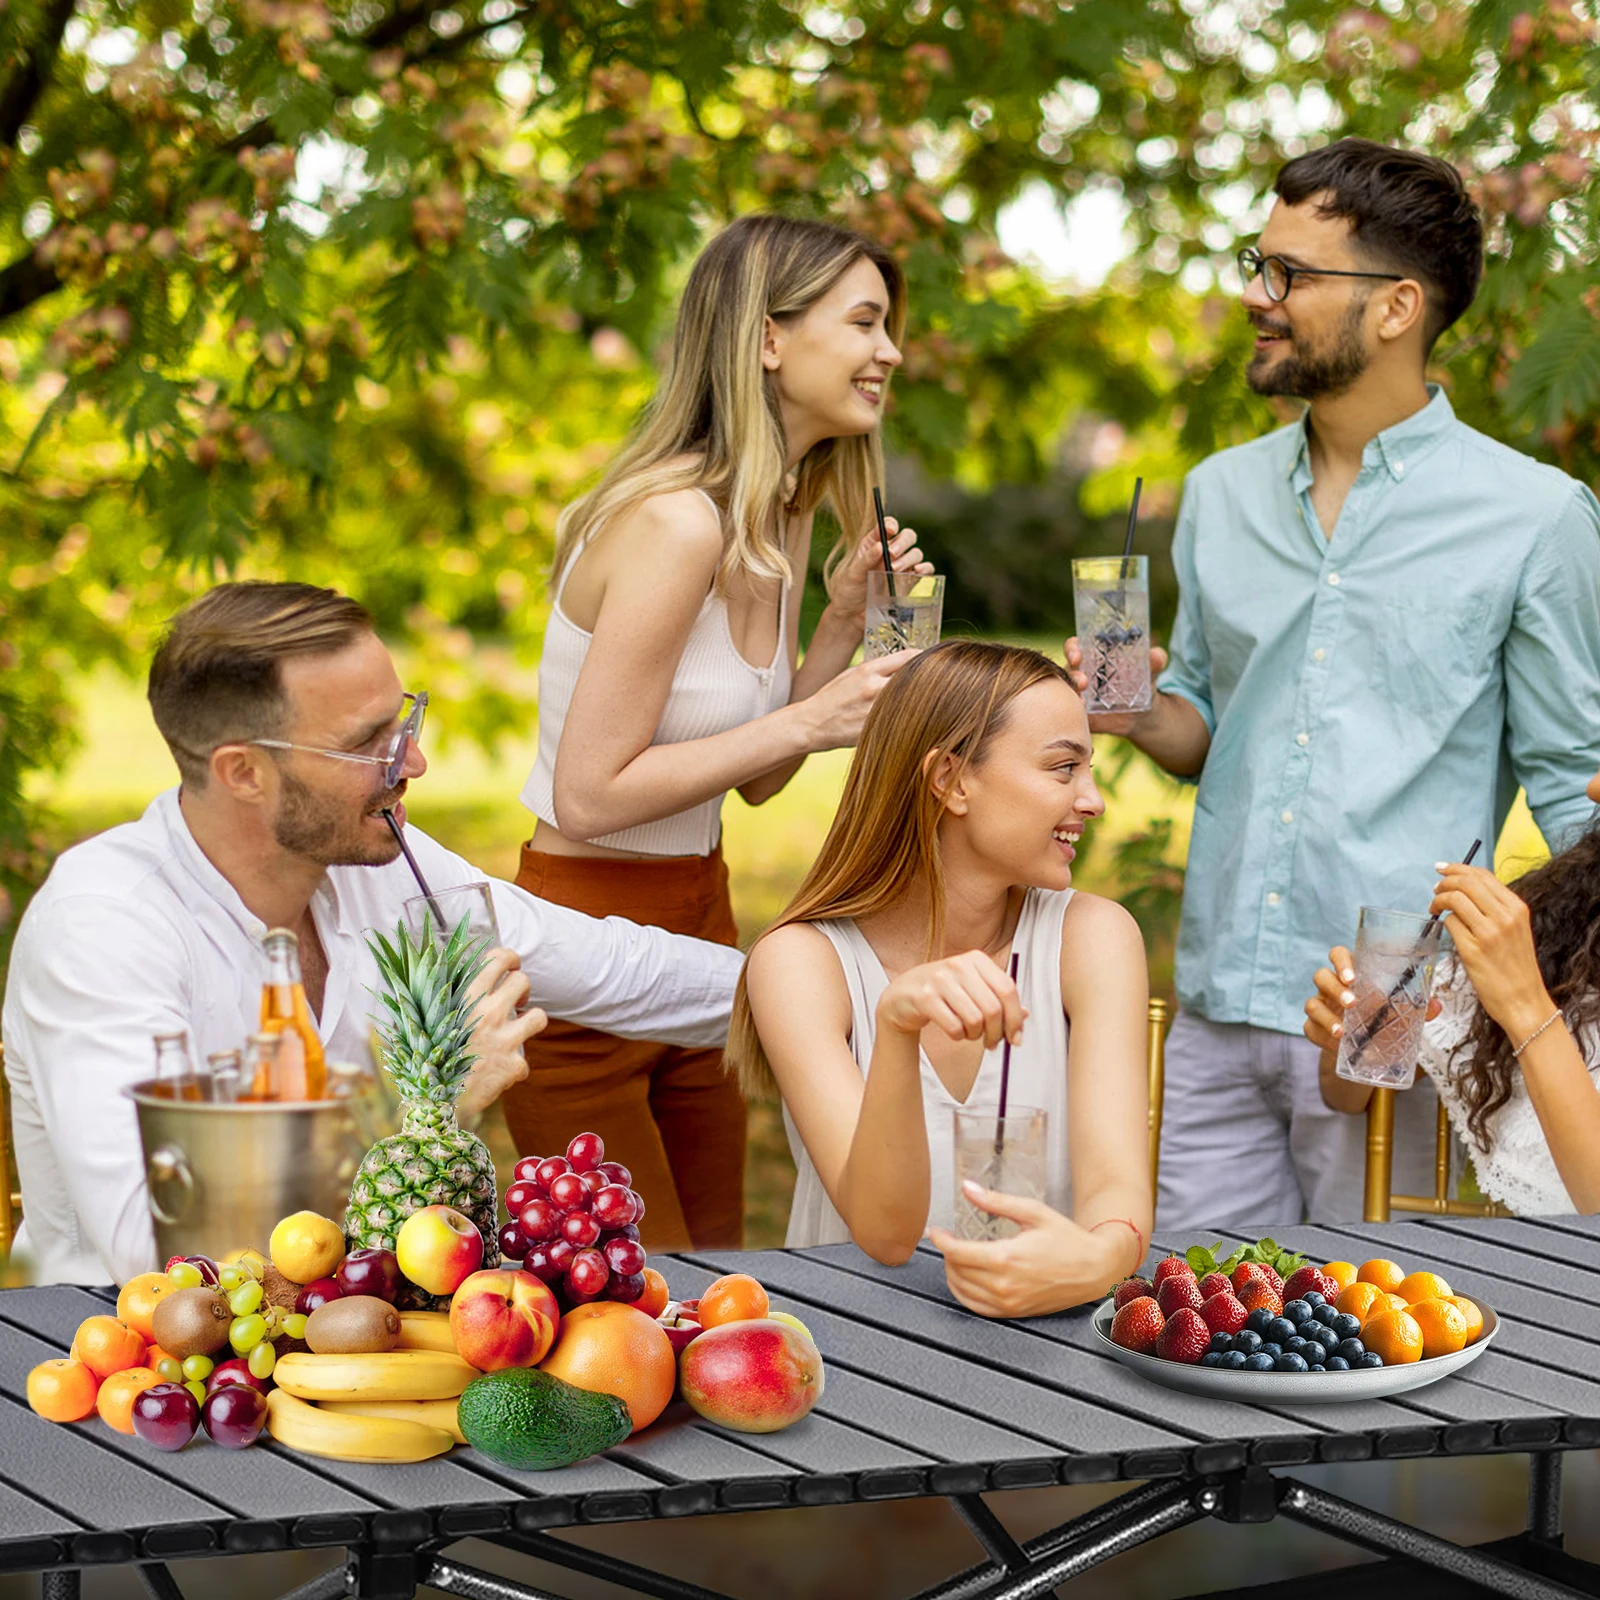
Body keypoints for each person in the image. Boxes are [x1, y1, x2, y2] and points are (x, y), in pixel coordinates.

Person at [1066, 137, 1600, 1229]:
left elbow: (1572, 789)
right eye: (1257, 265)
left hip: (1395, 992)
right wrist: (1129, 711)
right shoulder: (1218, 495)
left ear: (1397, 306)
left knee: (1373, 1320)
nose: (1259, 299)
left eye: (1291, 275)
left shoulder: (1534, 517)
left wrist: (1520, 1005)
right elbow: (1211, 723)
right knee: (1197, 1313)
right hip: (1217, 989)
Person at [1, 582, 745, 1288]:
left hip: (363, 1330)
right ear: (244, 773)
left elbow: (617, 970)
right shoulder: (103, 926)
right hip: (127, 1373)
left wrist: (830, 982)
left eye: (406, 719)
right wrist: (427, 1110)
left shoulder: (378, 864)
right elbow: (162, 1252)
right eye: (371, 742)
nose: (413, 761)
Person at [513, 214, 931, 1251]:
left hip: (705, 923)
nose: (890, 352)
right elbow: (592, 795)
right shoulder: (675, 523)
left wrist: (835, 628)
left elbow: (751, 783)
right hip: (583, 948)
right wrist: (806, 712)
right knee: (627, 1300)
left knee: (714, 1273)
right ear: (768, 338)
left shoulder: (780, 519)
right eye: (864, 321)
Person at [729, 641, 1152, 1318]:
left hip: (1046, 1348)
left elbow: (1116, 1192)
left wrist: (1100, 1261)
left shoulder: (1093, 938)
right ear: (952, 780)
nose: (1093, 800)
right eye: (1063, 768)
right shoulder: (799, 963)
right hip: (850, 1350)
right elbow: (887, 1232)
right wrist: (896, 1029)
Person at [1304, 814, 1600, 1216]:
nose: (1591, 783)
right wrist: (1351, 1030)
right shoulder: (1563, 930)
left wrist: (1526, 1007)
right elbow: (1348, 1095)